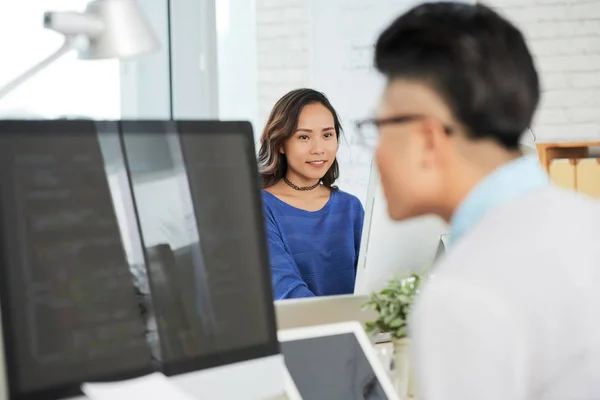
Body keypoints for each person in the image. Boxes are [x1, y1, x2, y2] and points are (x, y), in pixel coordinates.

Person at [365, 2, 600, 399]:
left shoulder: (464, 292)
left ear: (426, 139)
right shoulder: (587, 223)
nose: (376, 153)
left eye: (378, 127)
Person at [258, 88, 364, 300]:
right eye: (304, 137)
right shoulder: (259, 206)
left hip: (356, 326)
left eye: (327, 135)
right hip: (298, 330)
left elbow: (373, 281)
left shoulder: (350, 207)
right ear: (280, 144)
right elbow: (285, 289)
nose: (319, 149)